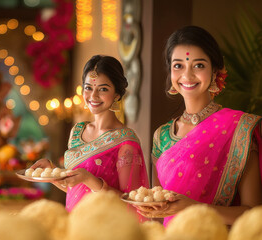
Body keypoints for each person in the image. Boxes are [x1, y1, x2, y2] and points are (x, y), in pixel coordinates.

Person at [137, 25, 262, 226]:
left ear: (215, 71)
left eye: (199, 65)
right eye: (178, 65)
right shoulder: (161, 136)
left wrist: (192, 206)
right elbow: (160, 209)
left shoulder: (239, 128)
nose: (187, 75)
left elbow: (255, 215)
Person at [31, 55, 149, 212]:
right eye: (88, 88)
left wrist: (90, 179)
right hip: (75, 224)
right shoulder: (77, 131)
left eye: (103, 89)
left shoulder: (125, 142)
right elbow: (76, 189)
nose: (93, 96)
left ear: (117, 94)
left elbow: (132, 204)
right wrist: (51, 173)